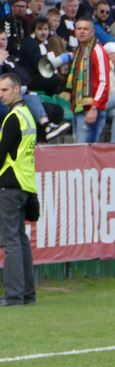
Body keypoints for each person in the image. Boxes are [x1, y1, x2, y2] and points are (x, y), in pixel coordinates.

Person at [0, 73, 37, 307]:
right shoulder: (28, 116)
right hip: (25, 184)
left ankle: (13, 296)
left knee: (10, 241)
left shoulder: (13, 118)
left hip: (9, 185)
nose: (1, 94)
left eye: (4, 90)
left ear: (17, 90)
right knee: (20, 241)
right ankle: (27, 295)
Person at [67, 17, 109, 142]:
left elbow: (104, 82)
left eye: (85, 29)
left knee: (85, 153)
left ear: (92, 32)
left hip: (90, 110)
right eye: (79, 28)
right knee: (80, 152)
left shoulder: (98, 50)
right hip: (78, 109)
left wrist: (94, 107)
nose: (81, 31)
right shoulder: (78, 52)